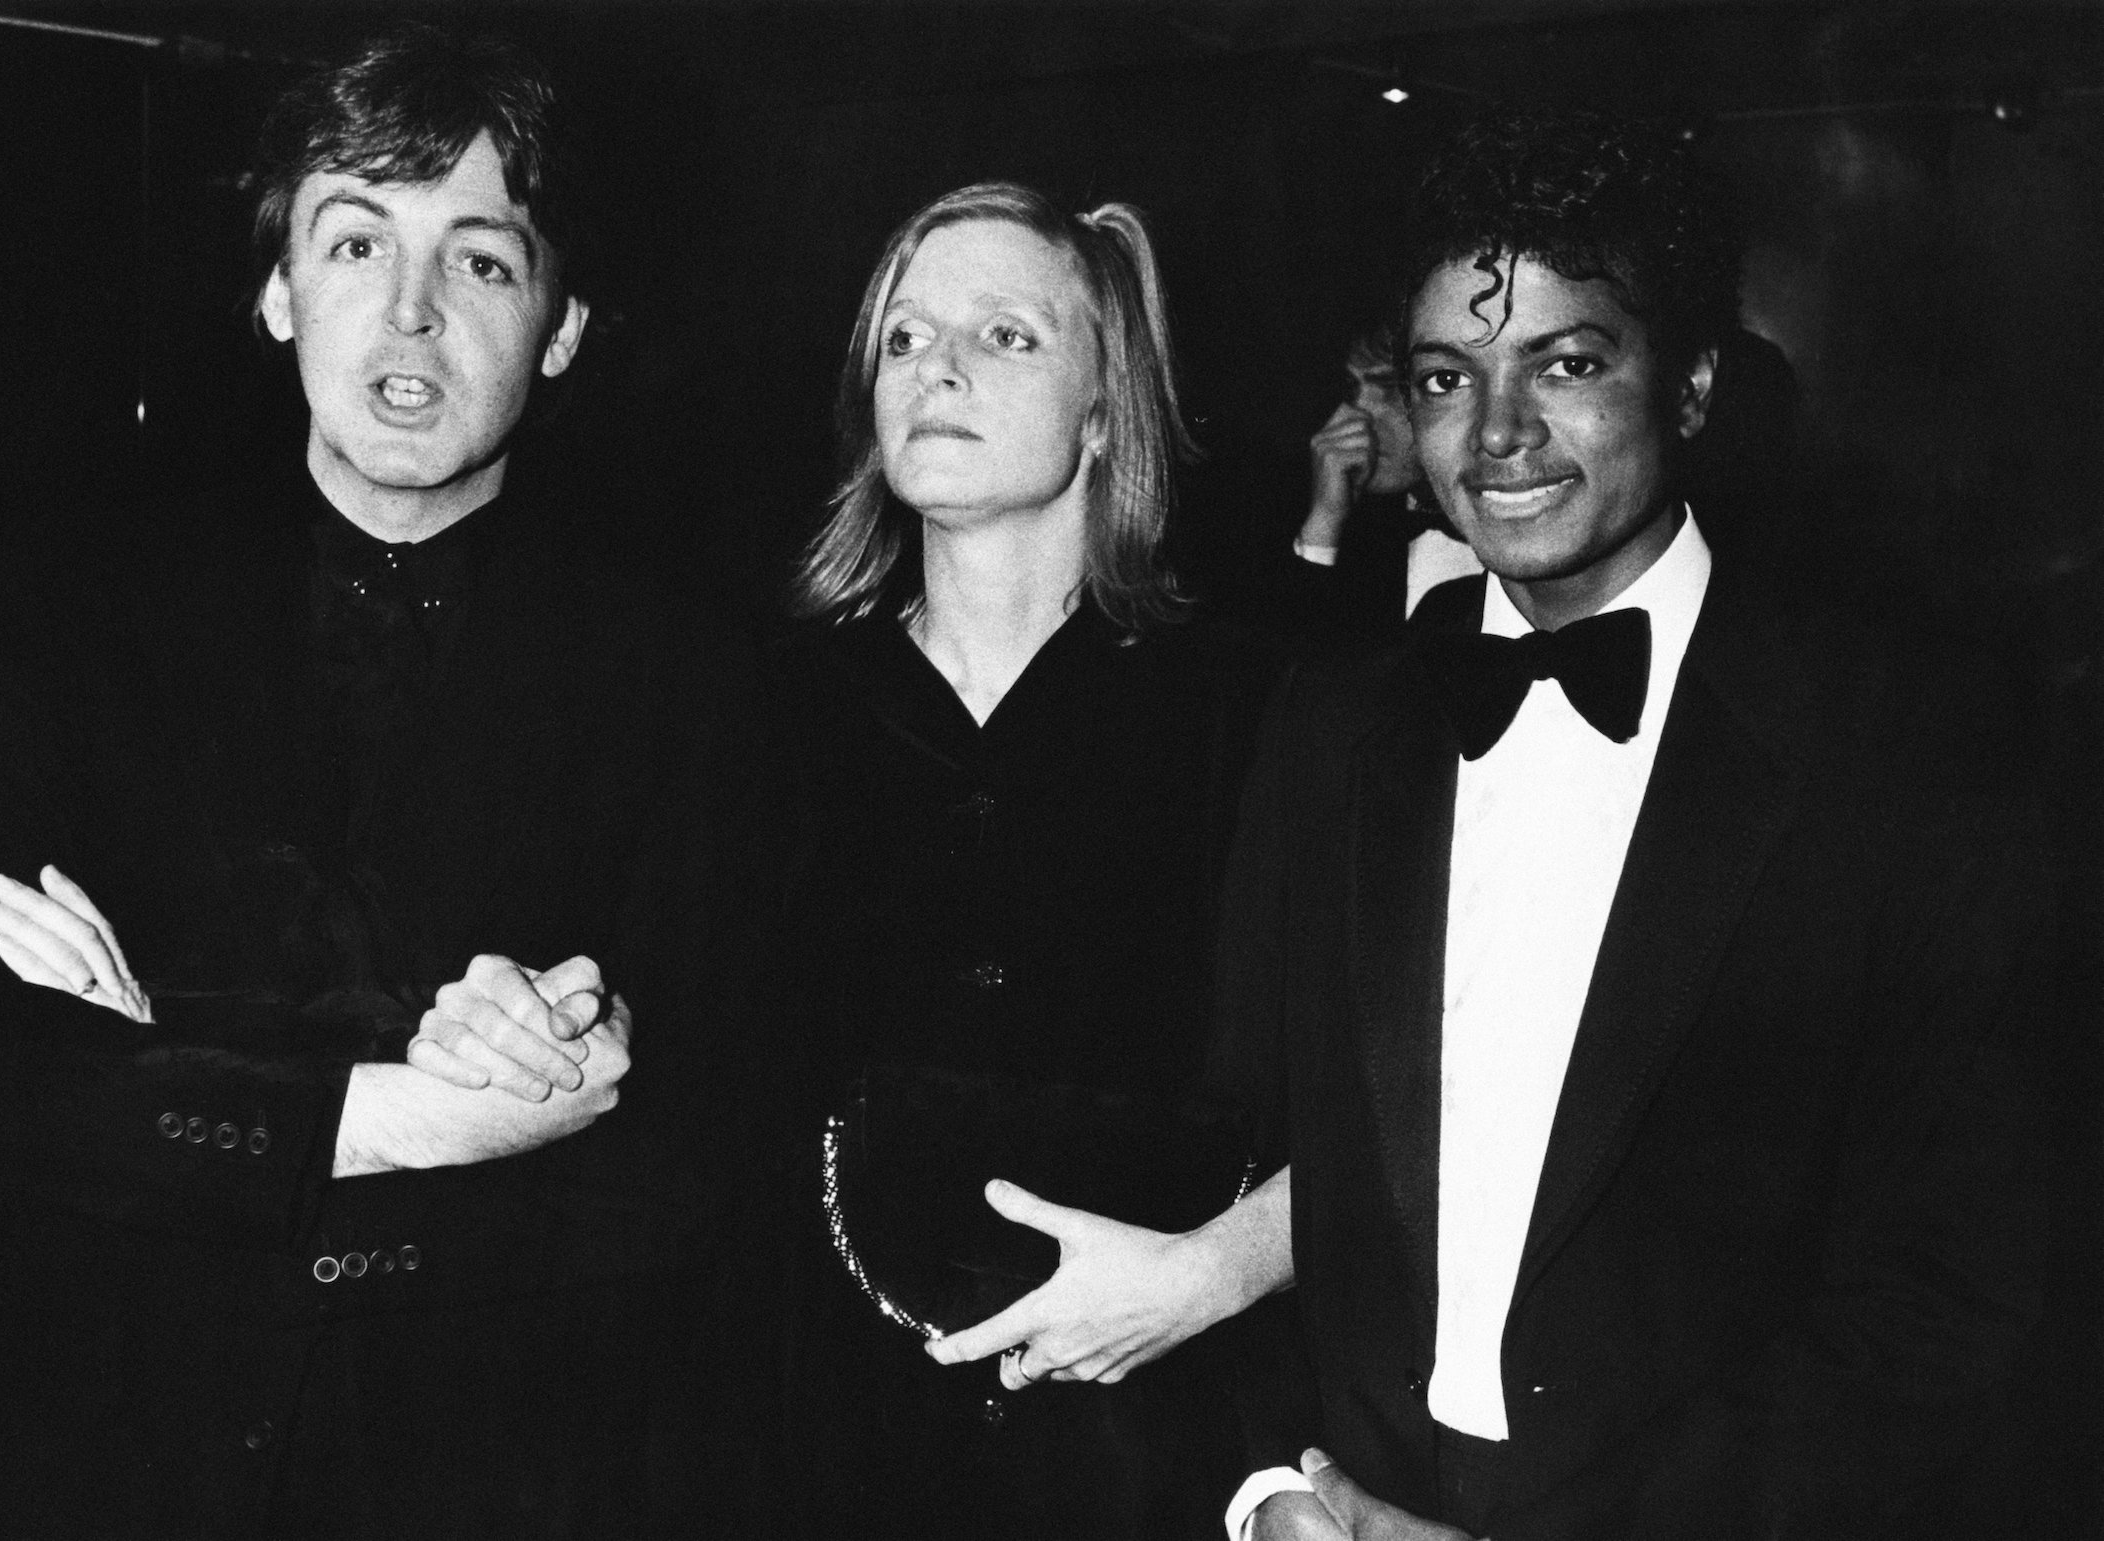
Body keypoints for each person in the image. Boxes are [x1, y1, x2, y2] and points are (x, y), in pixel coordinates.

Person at [0, 25, 753, 1539]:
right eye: (356, 244)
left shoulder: (697, 680)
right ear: (281, 293)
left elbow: (706, 1150)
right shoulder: (62, 621)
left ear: (563, 326)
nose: (408, 314)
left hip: (492, 1467)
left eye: (480, 261)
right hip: (87, 1449)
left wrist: (162, 1061)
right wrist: (401, 1114)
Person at [1205, 106, 2051, 1539]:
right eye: (1445, 377)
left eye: (1571, 363)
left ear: (1696, 387)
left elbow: (1951, 1301)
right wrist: (1271, 1490)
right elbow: (1235, 1153)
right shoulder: (1330, 728)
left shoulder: (1909, 753)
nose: (1501, 433)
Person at [761, 181, 1275, 1540]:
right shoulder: (763, 706)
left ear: (1109, 408)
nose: (938, 365)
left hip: (1158, 1438)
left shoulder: (1253, 708)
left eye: (1005, 335)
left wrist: (1223, 1272)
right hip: (826, 1437)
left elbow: (1375, 1097)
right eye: (904, 337)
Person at [1288, 314, 1479, 636]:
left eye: (1389, 387)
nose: (1358, 413)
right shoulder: (1354, 530)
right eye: (1352, 388)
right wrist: (1323, 526)